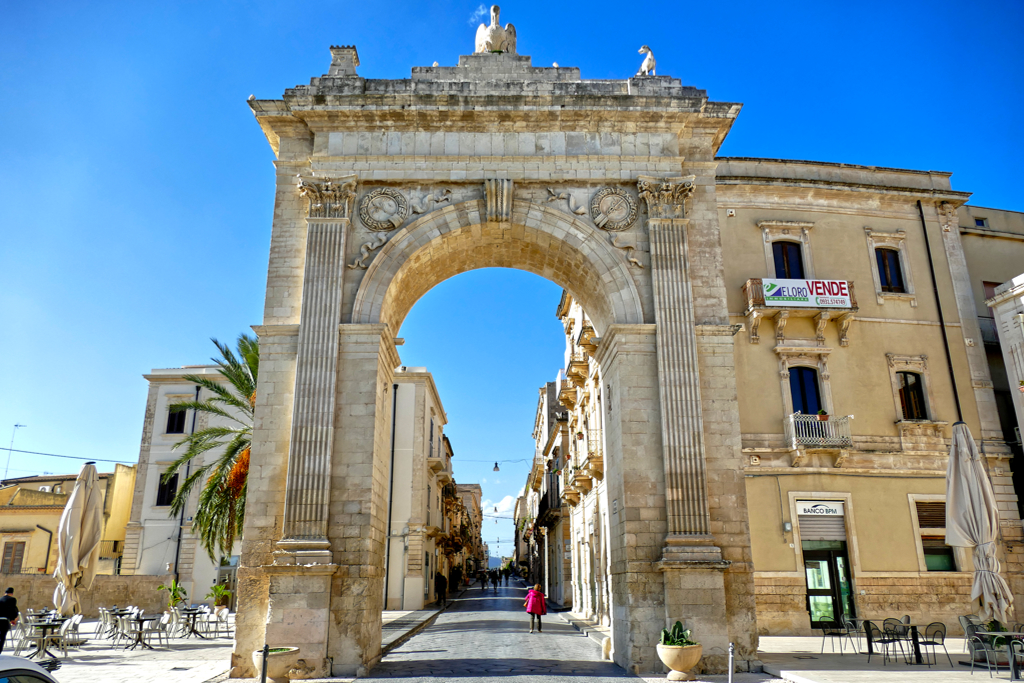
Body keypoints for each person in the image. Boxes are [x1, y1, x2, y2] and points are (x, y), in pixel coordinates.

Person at [0, 587, 19, 654]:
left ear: (4, 593)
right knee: (2, 637)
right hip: (5, 621)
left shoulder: (0, 599)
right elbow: (13, 609)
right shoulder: (12, 599)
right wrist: (13, 619)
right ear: (12, 593)